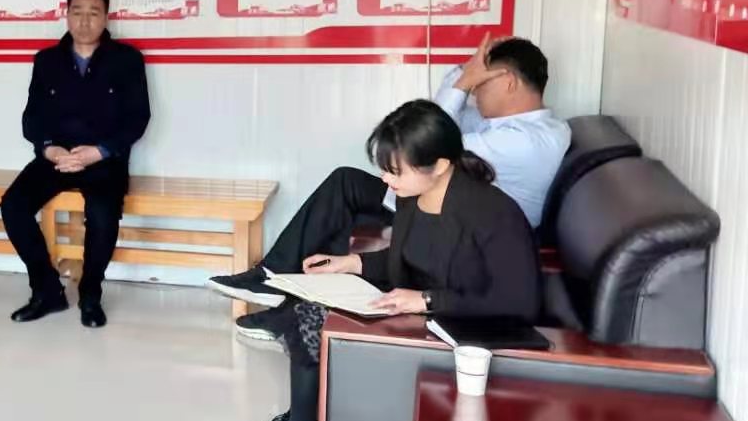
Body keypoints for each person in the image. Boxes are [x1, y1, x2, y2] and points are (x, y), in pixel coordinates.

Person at [238, 100, 541, 421]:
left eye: (395, 170)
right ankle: (307, 419)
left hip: (469, 334)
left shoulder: (492, 213)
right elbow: (414, 258)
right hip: (429, 311)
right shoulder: (413, 197)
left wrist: (427, 300)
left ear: (439, 165)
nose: (384, 179)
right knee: (304, 302)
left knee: (311, 319)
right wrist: (352, 263)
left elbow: (519, 302)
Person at [207, 35, 568, 340]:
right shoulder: (496, 125)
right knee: (346, 182)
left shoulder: (529, 140)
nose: (474, 94)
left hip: (469, 232)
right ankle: (278, 284)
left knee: (347, 185)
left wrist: (461, 85)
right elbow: (435, 125)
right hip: (438, 204)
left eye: (481, 84)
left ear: (507, 81)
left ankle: (276, 287)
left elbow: (427, 143)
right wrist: (463, 74)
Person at [0, 0, 150, 329]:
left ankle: (90, 294)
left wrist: (100, 151)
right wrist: (49, 149)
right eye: (77, 12)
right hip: (57, 158)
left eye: (93, 13)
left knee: (102, 215)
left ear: (106, 17)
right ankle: (46, 290)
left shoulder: (127, 60)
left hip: (103, 160)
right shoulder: (47, 61)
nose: (84, 21)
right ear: (66, 15)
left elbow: (138, 118)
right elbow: (32, 118)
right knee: (13, 205)